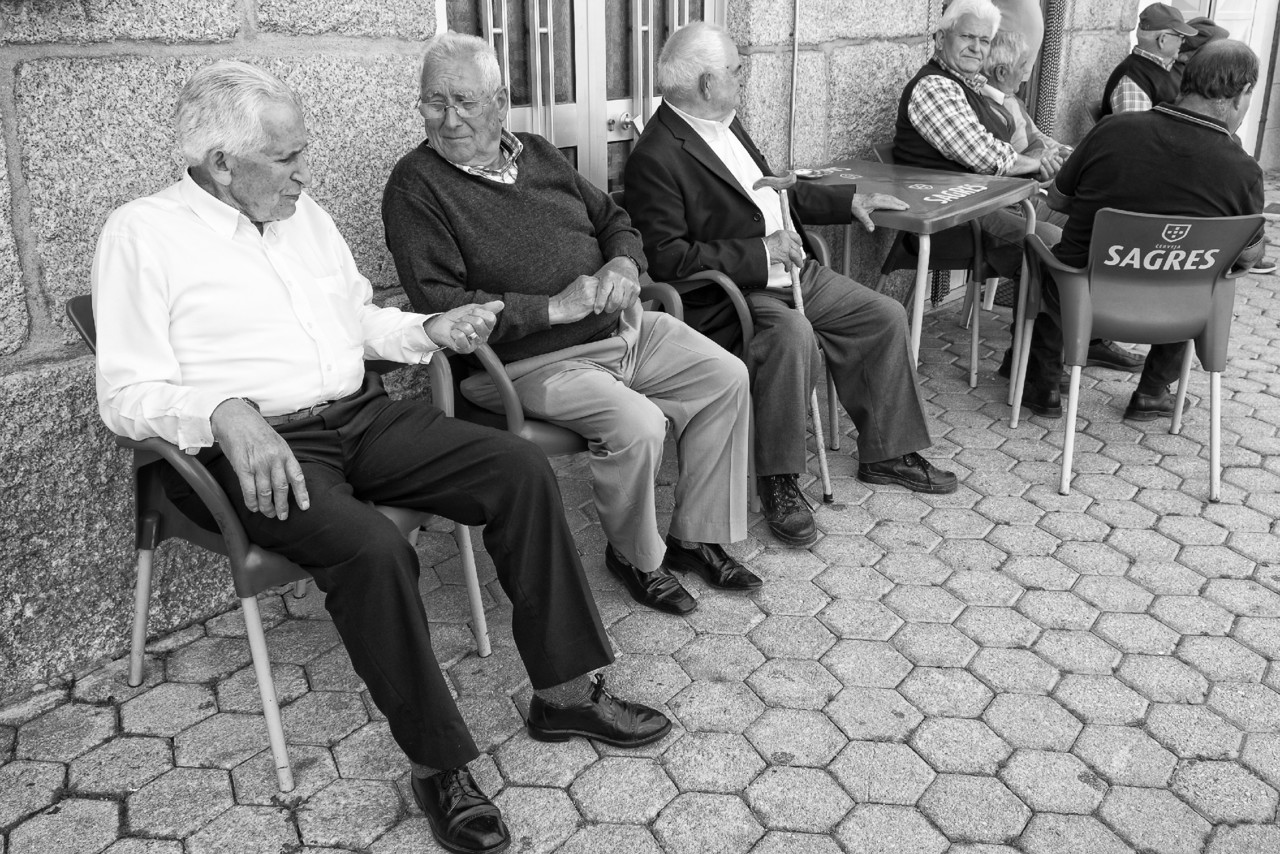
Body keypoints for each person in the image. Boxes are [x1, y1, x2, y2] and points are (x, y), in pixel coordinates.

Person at [93, 60, 671, 854]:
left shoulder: (303, 216)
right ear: (222, 162)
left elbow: (359, 319)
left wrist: (427, 332)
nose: (305, 173)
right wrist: (222, 410)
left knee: (518, 469)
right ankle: (440, 765)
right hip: (252, 451)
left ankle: (565, 692)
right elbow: (124, 393)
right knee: (373, 548)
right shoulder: (143, 235)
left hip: (359, 415)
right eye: (289, 157)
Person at [383, 32, 757, 617]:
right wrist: (553, 309)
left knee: (725, 376)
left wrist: (622, 263)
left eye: (465, 101)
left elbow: (616, 219)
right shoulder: (416, 186)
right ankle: (636, 557)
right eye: (434, 102)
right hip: (524, 365)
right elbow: (441, 304)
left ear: (501, 101)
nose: (449, 118)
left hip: (618, 330)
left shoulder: (537, 152)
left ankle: (694, 537)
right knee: (638, 423)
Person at [623, 21, 958, 548]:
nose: (743, 78)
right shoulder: (655, 157)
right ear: (707, 84)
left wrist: (846, 202)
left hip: (793, 274)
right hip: (735, 293)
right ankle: (778, 482)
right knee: (791, 336)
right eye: (736, 71)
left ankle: (886, 451)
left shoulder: (725, 123)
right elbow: (666, 259)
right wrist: (759, 253)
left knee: (882, 316)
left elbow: (772, 194)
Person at [893, 0, 1138, 416]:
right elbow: (982, 154)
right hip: (953, 219)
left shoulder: (972, 86)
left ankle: (1060, 346)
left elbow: (1018, 143)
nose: (976, 48)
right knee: (1060, 245)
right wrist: (1036, 164)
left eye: (984, 41)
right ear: (940, 37)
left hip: (997, 202)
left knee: (1090, 225)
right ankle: (1038, 370)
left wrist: (1054, 165)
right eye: (967, 37)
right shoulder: (934, 86)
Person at [1026, 40, 1265, 421]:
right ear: (1242, 95)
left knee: (1050, 253)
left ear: (1185, 81)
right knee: (1202, 273)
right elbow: (1249, 253)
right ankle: (1153, 392)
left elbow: (1055, 200)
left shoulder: (1112, 130)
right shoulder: (1244, 170)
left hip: (1085, 301)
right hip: (1178, 313)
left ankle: (1043, 384)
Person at [982, 30, 1067, 160]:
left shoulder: (1010, 98)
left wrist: (1063, 150)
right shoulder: (991, 111)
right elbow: (1014, 161)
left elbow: (1036, 134)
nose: (1026, 71)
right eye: (1022, 66)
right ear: (1001, 72)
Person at [1100, 2, 1196, 116]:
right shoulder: (1132, 80)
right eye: (1180, 36)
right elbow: (1137, 132)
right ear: (1162, 40)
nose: (1183, 41)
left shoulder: (1175, 65)